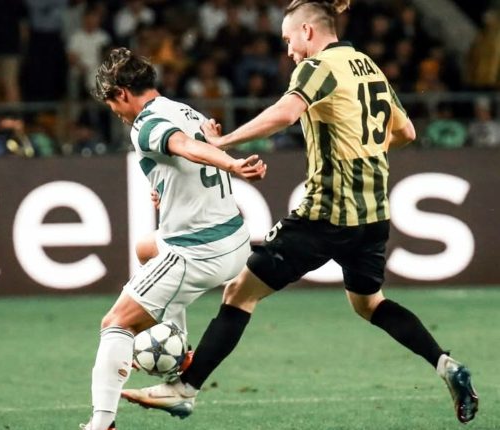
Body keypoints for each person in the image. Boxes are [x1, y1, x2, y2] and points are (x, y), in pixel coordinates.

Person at [121, 0, 479, 425]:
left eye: (289, 39)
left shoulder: (316, 66)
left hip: (325, 214)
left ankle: (184, 389)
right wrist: (361, 151)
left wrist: (222, 142)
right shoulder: (368, 66)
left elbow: (286, 113)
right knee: (369, 303)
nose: (289, 51)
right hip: (373, 214)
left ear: (308, 31)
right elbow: (405, 131)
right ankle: (445, 364)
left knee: (240, 293)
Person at [80, 47, 267, 430]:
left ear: (122, 93)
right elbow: (190, 153)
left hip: (198, 251)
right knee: (146, 248)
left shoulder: (145, 124)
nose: (115, 112)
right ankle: (177, 351)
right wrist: (167, 188)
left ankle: (102, 424)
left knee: (115, 323)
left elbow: (185, 147)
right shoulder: (185, 110)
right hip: (235, 239)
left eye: (112, 103)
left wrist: (232, 163)